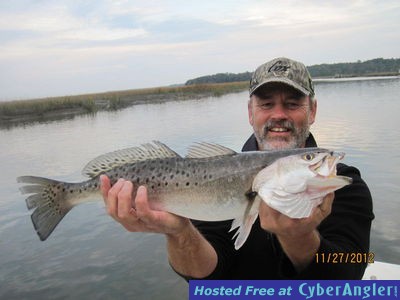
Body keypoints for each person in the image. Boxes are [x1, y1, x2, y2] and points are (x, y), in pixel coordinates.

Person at [100, 57, 374, 279]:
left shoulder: (346, 185)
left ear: (312, 111)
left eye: (292, 103)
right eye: (266, 104)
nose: (278, 114)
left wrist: (299, 238)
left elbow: (350, 272)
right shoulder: (213, 176)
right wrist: (179, 232)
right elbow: (207, 277)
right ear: (250, 112)